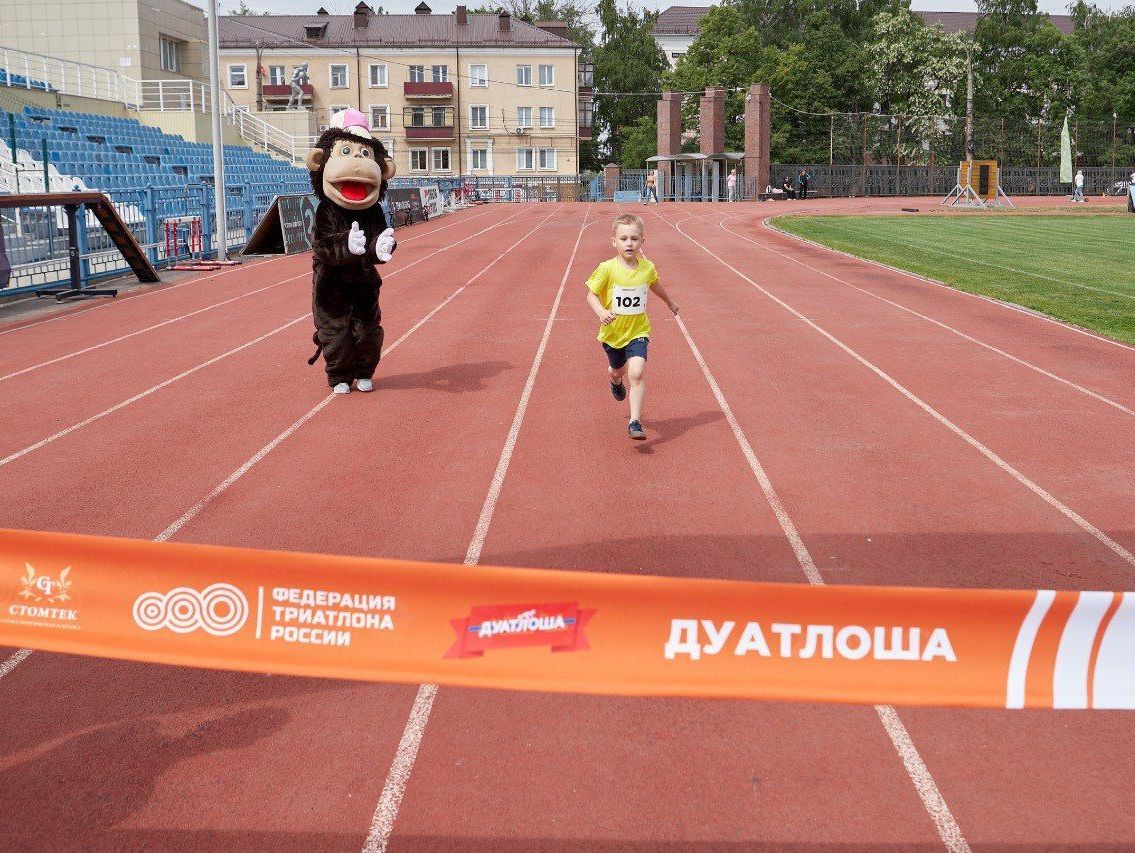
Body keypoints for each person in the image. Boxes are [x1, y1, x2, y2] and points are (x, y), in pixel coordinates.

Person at [585, 214, 678, 440]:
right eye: (624, 238)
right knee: (617, 370)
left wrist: (669, 302)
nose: (629, 243)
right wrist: (601, 312)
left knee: (636, 372)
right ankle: (615, 380)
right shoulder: (607, 268)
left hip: (638, 332)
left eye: (634, 238)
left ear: (642, 242)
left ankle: (634, 421)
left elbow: (654, 283)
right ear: (614, 242)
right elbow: (591, 294)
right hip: (613, 333)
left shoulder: (647, 268)